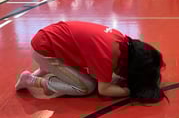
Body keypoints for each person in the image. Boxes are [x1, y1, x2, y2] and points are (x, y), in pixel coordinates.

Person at [15, 21, 165, 101]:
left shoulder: (122, 42)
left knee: (98, 77)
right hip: (44, 49)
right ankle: (34, 80)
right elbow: (104, 90)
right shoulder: (107, 55)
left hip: (52, 39)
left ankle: (47, 69)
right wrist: (130, 91)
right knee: (87, 86)